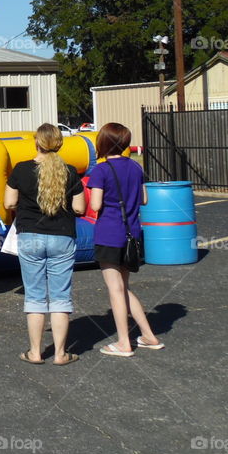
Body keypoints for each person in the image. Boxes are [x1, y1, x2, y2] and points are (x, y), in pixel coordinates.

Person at [5, 124, 86, 365]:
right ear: (59, 144)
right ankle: (61, 354)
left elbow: (9, 203)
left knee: (35, 296)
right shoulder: (70, 172)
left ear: (36, 142)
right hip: (62, 236)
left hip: (30, 236)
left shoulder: (21, 170)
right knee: (61, 296)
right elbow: (80, 208)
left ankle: (35, 352)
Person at [87, 122, 164, 357]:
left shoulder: (101, 170)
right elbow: (144, 199)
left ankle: (123, 343)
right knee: (124, 287)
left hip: (109, 234)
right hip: (132, 233)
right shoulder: (135, 167)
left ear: (103, 143)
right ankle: (148, 335)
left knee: (115, 289)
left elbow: (96, 205)